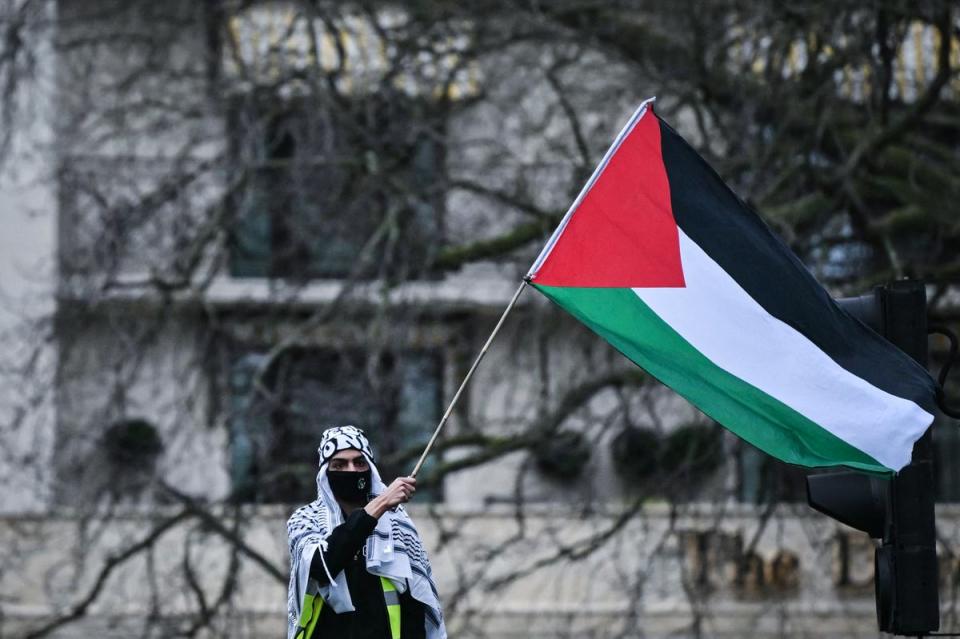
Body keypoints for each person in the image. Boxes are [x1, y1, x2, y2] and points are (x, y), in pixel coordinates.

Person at [287, 425, 446, 639]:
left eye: (359, 462)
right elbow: (322, 565)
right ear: (326, 472)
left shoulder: (396, 523)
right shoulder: (304, 520)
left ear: (370, 468)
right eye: (340, 464)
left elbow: (416, 602)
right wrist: (378, 506)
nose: (351, 471)